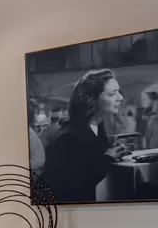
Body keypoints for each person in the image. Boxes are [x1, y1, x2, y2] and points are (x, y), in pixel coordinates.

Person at [37, 69, 126, 204]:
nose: (120, 97)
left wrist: (113, 152)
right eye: (113, 94)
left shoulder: (97, 128)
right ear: (91, 100)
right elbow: (76, 184)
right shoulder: (69, 137)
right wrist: (108, 157)